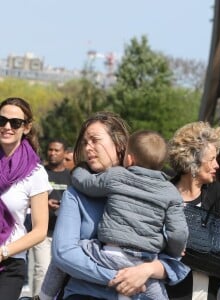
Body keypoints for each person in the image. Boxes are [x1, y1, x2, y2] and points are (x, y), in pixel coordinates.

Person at [46, 112, 190, 300]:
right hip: (86, 294)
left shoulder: (159, 194)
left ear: (120, 144)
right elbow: (63, 253)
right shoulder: (76, 194)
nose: (88, 147)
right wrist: (121, 277)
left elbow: (174, 259)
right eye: (85, 142)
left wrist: (147, 270)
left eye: (95, 140)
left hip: (141, 292)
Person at [166, 121, 220, 300]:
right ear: (192, 162)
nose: (217, 165)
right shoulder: (164, 193)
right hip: (170, 292)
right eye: (212, 159)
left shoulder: (216, 192)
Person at [0, 97, 52, 300]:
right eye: (1, 120)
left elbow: (40, 230)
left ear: (27, 127)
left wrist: (3, 252)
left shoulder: (36, 173)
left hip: (10, 262)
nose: (7, 127)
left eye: (15, 123)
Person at [31, 138, 72, 296]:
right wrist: (43, 203)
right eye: (50, 150)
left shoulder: (71, 176)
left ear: (64, 153)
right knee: (41, 269)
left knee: (60, 275)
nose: (53, 153)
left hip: (62, 233)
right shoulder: (40, 173)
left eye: (57, 150)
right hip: (41, 231)